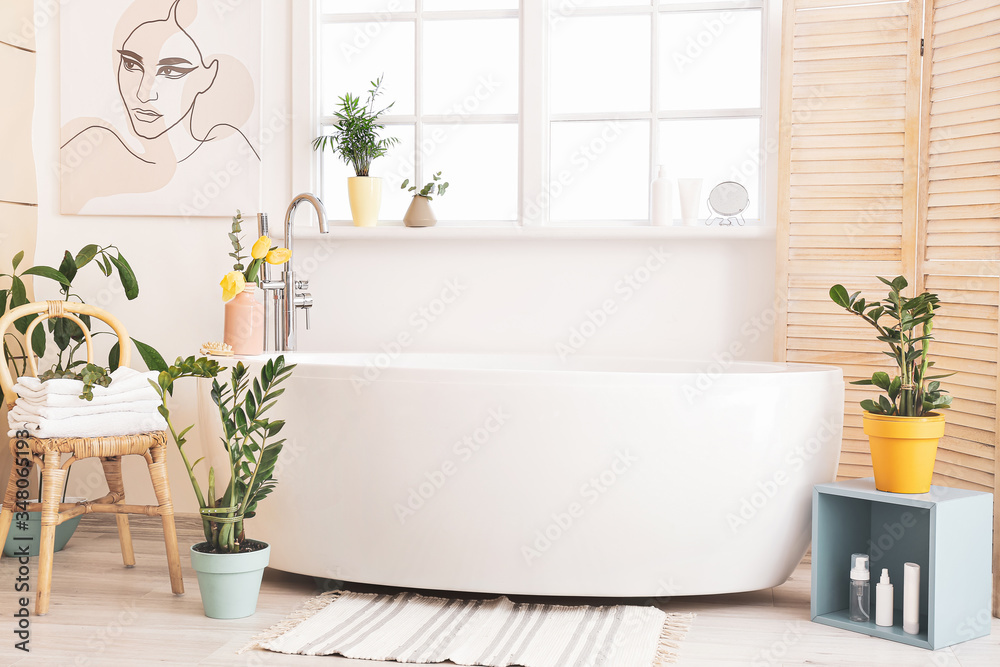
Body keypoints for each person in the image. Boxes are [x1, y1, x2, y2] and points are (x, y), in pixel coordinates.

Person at [60, 0, 259, 215]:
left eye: (170, 71)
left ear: (207, 79)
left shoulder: (233, 162)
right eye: (131, 65)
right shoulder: (89, 142)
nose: (142, 93)